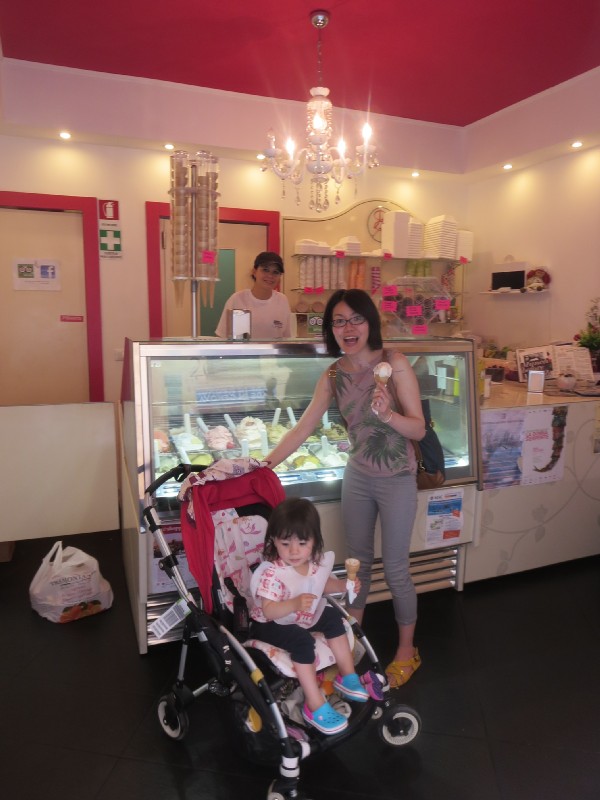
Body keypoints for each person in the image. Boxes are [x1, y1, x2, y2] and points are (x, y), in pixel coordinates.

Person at [266, 289, 426, 689]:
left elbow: (419, 429)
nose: (348, 328)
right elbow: (303, 428)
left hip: (397, 478)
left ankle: (407, 650)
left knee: (396, 568)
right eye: (338, 321)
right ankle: (350, 649)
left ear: (370, 322)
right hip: (358, 476)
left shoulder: (395, 363)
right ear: (330, 329)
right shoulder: (334, 375)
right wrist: (262, 467)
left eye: (356, 319)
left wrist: (388, 415)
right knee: (358, 566)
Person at [250, 496, 368, 735]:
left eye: (302, 543)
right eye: (285, 543)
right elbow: (269, 609)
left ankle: (347, 675)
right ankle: (314, 704)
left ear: (314, 541)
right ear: (274, 540)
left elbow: (321, 584)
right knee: (302, 642)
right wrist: (293, 603)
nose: (294, 551)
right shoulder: (273, 573)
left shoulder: (312, 563)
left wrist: (344, 585)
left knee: (333, 617)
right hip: (271, 623)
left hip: (301, 615)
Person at [215, 251, 292, 339]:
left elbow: (287, 338)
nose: (270, 276)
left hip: (274, 349)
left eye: (275, 272)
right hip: (242, 349)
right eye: (265, 270)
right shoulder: (237, 299)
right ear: (254, 272)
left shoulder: (282, 300)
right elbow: (221, 336)